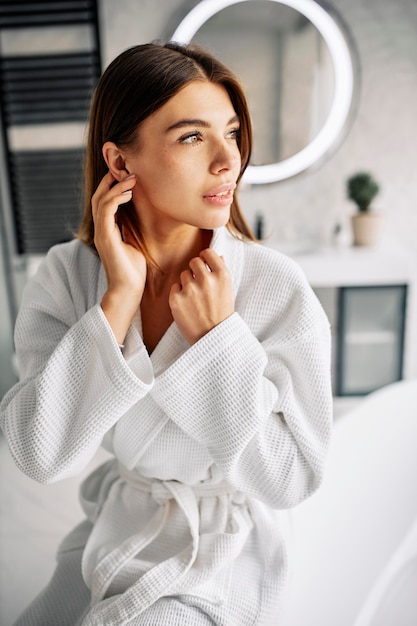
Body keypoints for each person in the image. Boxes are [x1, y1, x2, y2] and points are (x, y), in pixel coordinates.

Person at [0, 41, 332, 625]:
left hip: (222, 553)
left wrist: (218, 342)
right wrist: (117, 301)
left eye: (231, 133)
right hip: (118, 528)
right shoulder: (68, 274)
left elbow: (291, 477)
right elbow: (39, 454)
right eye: (192, 137)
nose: (228, 160)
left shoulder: (275, 285)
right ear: (121, 162)